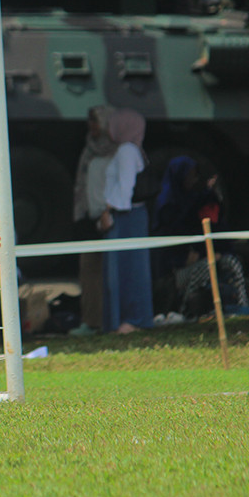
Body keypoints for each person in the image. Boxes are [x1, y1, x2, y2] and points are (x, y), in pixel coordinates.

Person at [151, 155, 249, 318]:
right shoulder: (167, 208)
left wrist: (214, 254)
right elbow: (169, 251)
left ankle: (242, 307)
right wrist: (187, 258)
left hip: (202, 259)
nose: (193, 179)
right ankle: (184, 312)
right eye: (189, 175)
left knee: (232, 262)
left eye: (195, 175)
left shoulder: (195, 202)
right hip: (174, 273)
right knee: (205, 267)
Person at [96, 108, 153, 333]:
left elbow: (125, 186)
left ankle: (133, 319)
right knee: (124, 268)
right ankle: (125, 318)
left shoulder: (127, 150)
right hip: (126, 216)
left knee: (130, 269)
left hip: (126, 217)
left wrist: (108, 210)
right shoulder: (129, 149)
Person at [70, 105, 118, 335]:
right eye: (90, 121)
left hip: (111, 217)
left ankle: (113, 319)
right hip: (89, 217)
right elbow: (81, 184)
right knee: (88, 271)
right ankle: (92, 321)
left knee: (114, 271)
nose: (92, 126)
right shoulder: (89, 149)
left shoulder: (119, 150)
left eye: (96, 121)